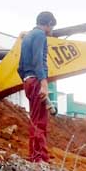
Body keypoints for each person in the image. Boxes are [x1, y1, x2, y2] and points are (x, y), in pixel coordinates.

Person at [18, 11, 57, 163]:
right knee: (40, 122)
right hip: (35, 81)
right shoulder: (40, 35)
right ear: (48, 24)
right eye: (51, 27)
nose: (51, 30)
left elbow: (20, 66)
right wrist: (43, 83)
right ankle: (39, 157)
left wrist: (26, 80)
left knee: (35, 119)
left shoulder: (27, 37)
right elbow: (38, 61)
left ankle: (35, 155)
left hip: (28, 81)